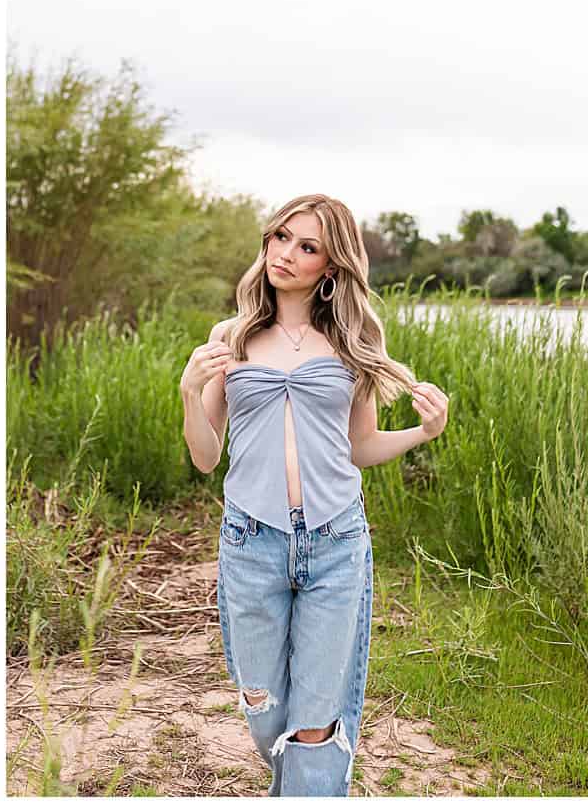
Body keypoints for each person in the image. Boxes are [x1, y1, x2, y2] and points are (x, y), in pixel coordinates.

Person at [178, 194, 451, 796]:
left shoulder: (351, 344)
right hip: (251, 542)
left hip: (335, 541)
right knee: (263, 706)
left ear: (331, 268)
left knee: (315, 722)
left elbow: (360, 447)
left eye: (307, 247)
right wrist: (188, 391)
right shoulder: (233, 337)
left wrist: (424, 431)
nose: (286, 254)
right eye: (281, 238)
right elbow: (205, 456)